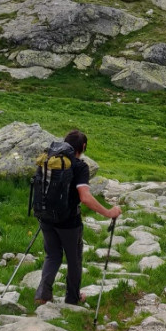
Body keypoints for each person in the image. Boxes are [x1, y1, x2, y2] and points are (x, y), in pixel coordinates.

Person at [34, 129, 121, 305]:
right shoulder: (80, 166)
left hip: (46, 216)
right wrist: (109, 212)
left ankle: (42, 295)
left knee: (52, 256)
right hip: (69, 222)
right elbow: (85, 197)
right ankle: (72, 298)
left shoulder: (50, 162)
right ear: (83, 146)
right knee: (74, 260)